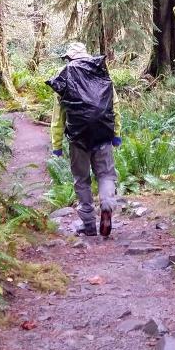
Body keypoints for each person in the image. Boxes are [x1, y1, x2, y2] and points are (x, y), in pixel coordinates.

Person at [47, 41, 121, 237]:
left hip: (78, 137)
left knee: (82, 180)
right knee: (106, 174)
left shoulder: (65, 74)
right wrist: (116, 134)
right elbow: (114, 104)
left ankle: (88, 224)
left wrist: (56, 145)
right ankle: (106, 205)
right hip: (103, 134)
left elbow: (58, 115)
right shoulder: (100, 70)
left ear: (69, 57)